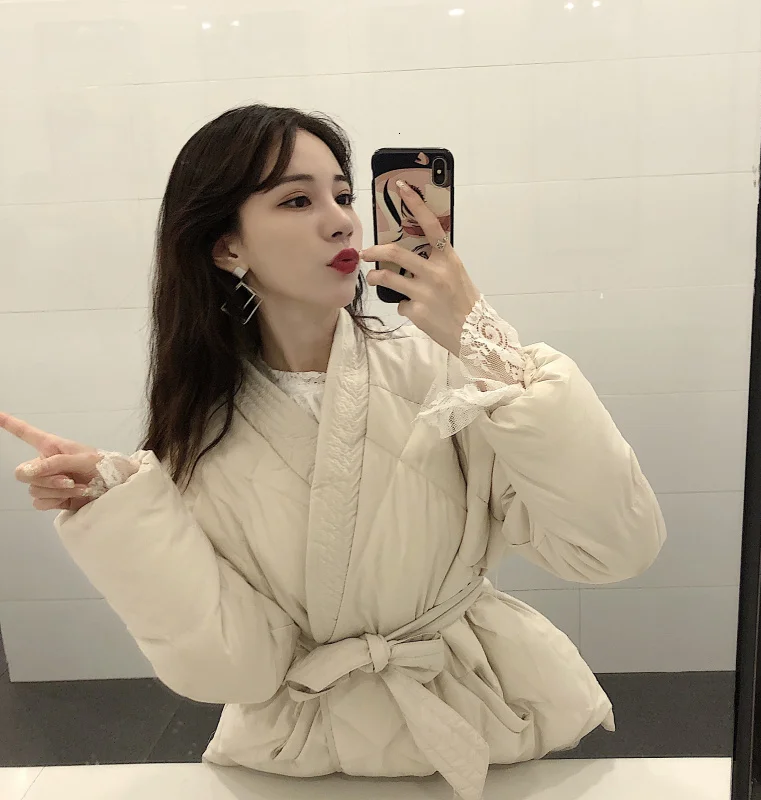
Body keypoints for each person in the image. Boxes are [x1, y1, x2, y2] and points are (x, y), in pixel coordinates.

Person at [0, 105, 667, 800]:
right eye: (298, 200)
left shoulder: (446, 370)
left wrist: (487, 345)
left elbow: (614, 549)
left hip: (476, 728)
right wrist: (121, 511)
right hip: (302, 756)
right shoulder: (197, 433)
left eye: (344, 195)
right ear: (227, 248)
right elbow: (234, 665)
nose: (342, 221)